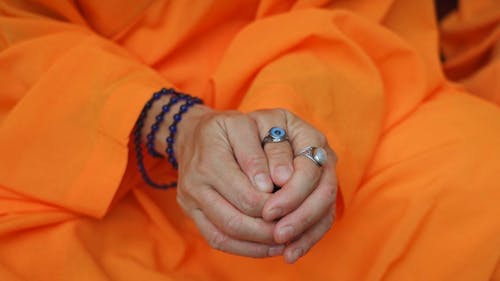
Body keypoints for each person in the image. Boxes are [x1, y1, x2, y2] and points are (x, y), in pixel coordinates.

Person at [0, 0, 499, 280]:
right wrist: (171, 123)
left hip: (335, 93)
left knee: (483, 183)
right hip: (77, 147)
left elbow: (344, 12)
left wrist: (291, 120)